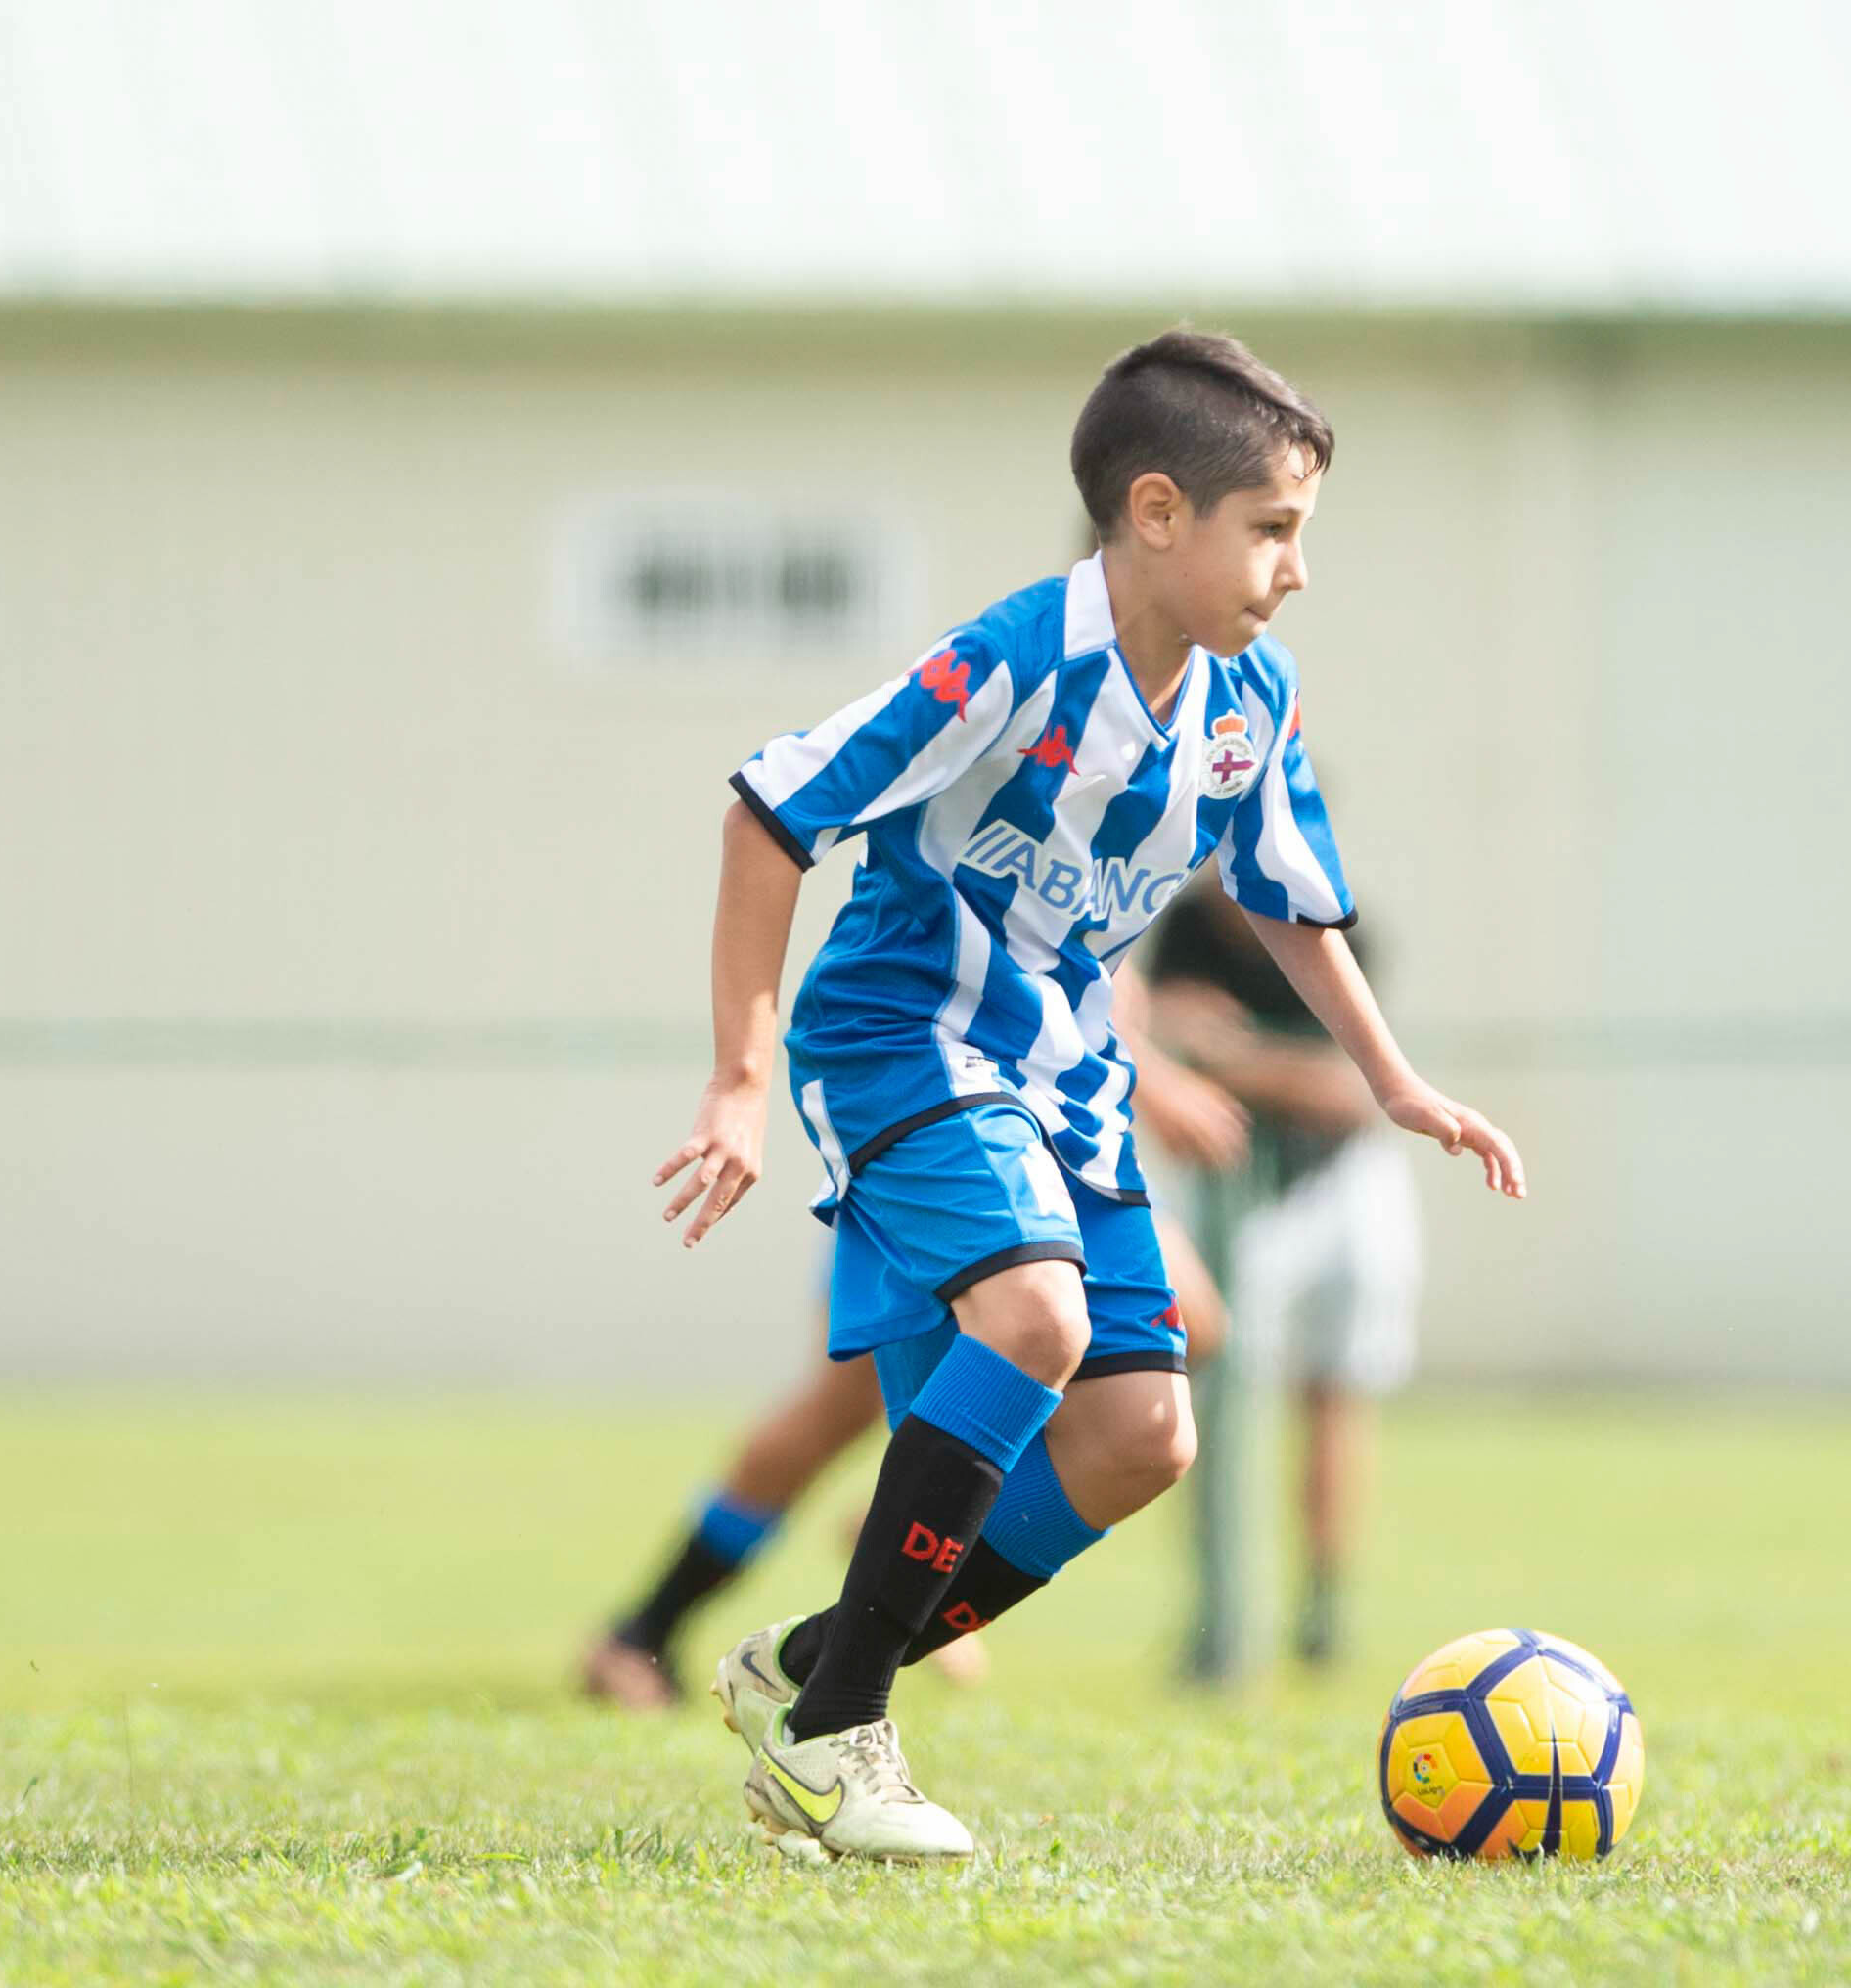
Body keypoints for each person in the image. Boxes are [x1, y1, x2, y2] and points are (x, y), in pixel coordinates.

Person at [651, 328, 1527, 1864]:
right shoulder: (1010, 661)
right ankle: (836, 1733)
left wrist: (1395, 1083)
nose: (1295, 571)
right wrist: (737, 1076)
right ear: (1157, 511)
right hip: (901, 1036)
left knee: (1140, 1434)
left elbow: (1291, 898)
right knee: (1038, 1325)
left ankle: (806, 1667)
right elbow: (770, 808)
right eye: (1275, 530)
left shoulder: (1250, 699)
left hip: (1063, 1073)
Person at [581, 1035, 1242, 1710]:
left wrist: (1151, 1066)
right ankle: (646, 1630)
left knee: (1191, 1333)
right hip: (951, 1118)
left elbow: (1097, 978)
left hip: (1077, 1127)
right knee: (836, 1409)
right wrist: (1160, 1079)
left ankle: (917, 1529)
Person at [1145, 877, 1422, 1668]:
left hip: (1341, 1178)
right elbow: (1152, 1042)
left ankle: (1320, 1609)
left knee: (1336, 1389)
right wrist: (1196, 1049)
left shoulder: (1339, 925)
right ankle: (1218, 1619)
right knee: (1210, 1391)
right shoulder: (1188, 925)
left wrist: (1234, 1056)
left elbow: (1350, 1089)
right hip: (1233, 1187)